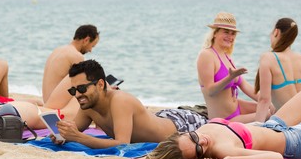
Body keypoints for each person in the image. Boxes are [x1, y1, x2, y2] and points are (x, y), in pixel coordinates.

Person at [52, 59, 208, 148]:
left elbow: (122, 144)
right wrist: (62, 134)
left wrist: (78, 138)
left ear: (100, 84)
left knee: (213, 118)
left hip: (183, 124)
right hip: (161, 117)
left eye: (81, 88)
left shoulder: (120, 100)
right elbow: (74, 131)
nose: (77, 95)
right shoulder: (88, 106)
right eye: (73, 91)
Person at [145, 89, 301, 159]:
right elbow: (276, 157)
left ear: (183, 133)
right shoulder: (223, 150)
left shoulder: (200, 132)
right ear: (197, 158)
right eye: (199, 149)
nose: (203, 141)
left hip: (273, 124)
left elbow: (163, 154)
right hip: (291, 142)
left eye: (193, 137)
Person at [197, 11, 272, 123]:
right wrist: (230, 77)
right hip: (224, 119)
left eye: (233, 34)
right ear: (215, 33)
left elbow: (246, 87)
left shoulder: (226, 56)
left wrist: (267, 101)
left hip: (237, 108)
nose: (230, 37)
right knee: (267, 114)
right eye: (226, 32)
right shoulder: (207, 55)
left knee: (269, 108)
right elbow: (209, 91)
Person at [42, 25, 100, 121]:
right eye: (92, 46)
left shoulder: (58, 50)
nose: (90, 50)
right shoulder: (76, 56)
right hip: (57, 106)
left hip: (47, 101)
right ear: (86, 40)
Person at [254, 18, 300, 122]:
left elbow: (264, 101)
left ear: (276, 32)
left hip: (289, 128)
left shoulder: (268, 58)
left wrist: (256, 129)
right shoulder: (299, 58)